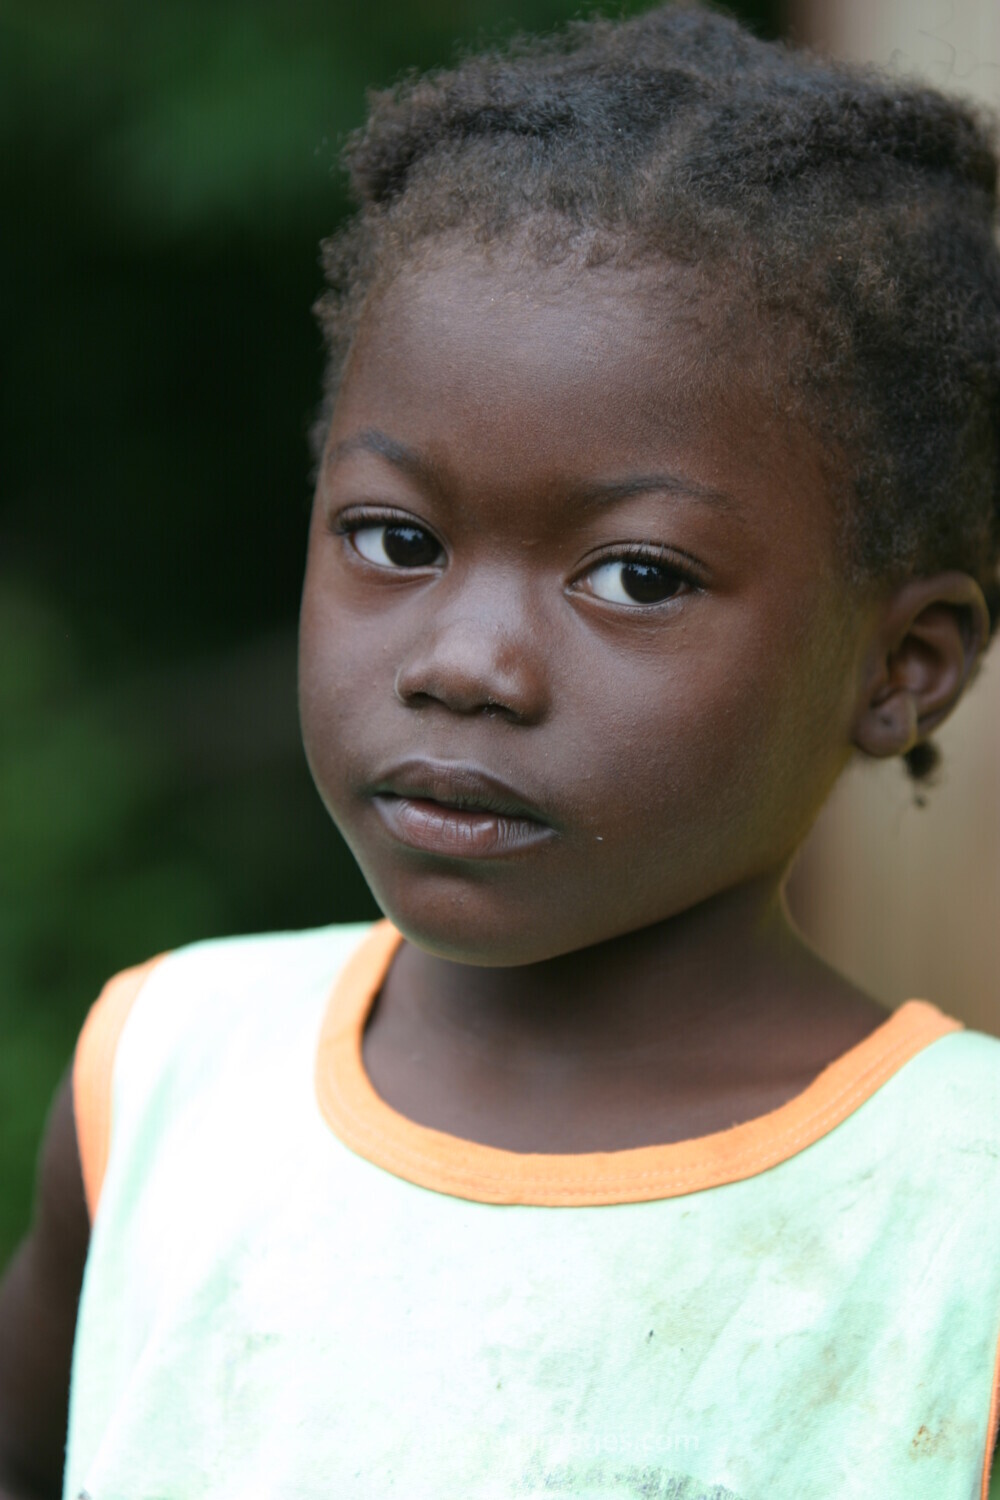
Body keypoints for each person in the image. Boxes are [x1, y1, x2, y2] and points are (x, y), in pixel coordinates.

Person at [2, 4, 999, 1497]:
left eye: (638, 576)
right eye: (396, 540)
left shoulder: (957, 1218)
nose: (465, 663)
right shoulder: (163, 1080)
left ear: (902, 668)